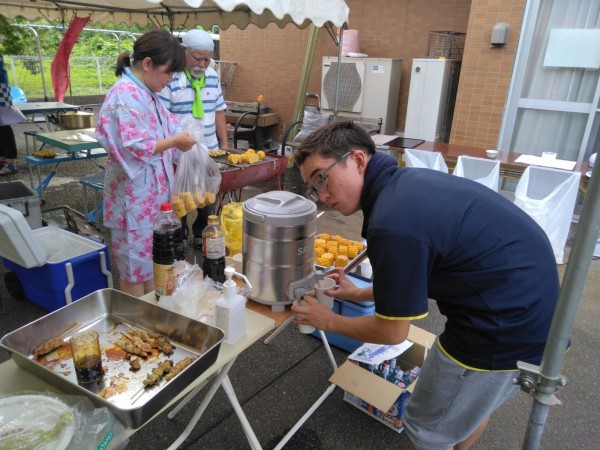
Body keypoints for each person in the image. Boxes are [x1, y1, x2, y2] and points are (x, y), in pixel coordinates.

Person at [291, 121, 560, 450]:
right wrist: (357, 292)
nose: (321, 195)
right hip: (542, 313)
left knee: (425, 428)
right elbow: (416, 275)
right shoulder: (404, 185)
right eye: (312, 188)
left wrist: (327, 321)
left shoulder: (391, 222)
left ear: (358, 160)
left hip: (503, 328)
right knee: (467, 410)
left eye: (321, 177)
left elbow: (392, 332)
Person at [95, 29, 196, 297]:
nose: (170, 79)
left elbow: (170, 126)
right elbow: (132, 145)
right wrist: (174, 141)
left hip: (150, 198)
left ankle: (153, 313)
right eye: (168, 72)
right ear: (148, 63)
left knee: (154, 262)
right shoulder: (124, 94)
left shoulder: (146, 92)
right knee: (134, 270)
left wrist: (187, 141)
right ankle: (137, 318)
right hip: (133, 199)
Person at [158, 28, 229, 248]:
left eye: (207, 60)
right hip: (178, 151)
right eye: (198, 58)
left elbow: (219, 110)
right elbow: (161, 116)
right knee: (179, 194)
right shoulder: (170, 78)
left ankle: (201, 233)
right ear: (184, 52)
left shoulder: (212, 76)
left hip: (209, 149)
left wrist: (225, 143)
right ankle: (179, 233)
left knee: (206, 195)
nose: (203, 64)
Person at [0, 55, 19, 175]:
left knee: (3, 129)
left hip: (1, 95)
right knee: (3, 128)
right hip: (3, 93)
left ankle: (7, 162)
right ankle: (5, 161)